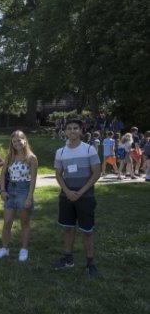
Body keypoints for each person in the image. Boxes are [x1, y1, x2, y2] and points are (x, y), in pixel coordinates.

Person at [53, 119, 101, 278]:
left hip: (85, 197)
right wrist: (67, 191)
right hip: (66, 196)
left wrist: (80, 192)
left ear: (81, 131)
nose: (72, 131)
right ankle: (68, 260)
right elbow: (58, 175)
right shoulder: (60, 152)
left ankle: (90, 264)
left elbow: (96, 173)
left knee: (87, 231)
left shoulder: (89, 150)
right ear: (65, 131)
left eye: (75, 128)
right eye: (69, 128)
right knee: (68, 229)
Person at [0, 131, 37, 262]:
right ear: (12, 143)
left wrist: (29, 197)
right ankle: (5, 248)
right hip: (10, 190)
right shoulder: (9, 157)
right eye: (14, 141)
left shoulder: (31, 158)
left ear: (25, 140)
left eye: (19, 140)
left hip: (24, 190)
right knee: (7, 222)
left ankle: (24, 249)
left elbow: (33, 179)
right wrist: (2, 190)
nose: (17, 143)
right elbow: (2, 174)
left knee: (24, 222)